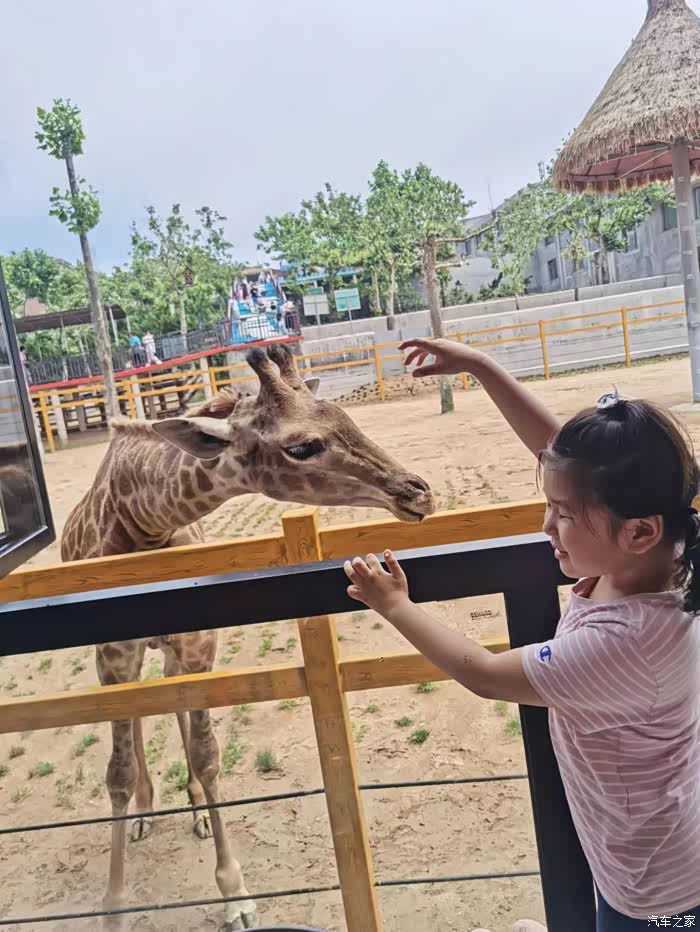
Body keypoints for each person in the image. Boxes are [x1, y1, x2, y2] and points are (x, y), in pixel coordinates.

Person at [344, 337, 700, 932]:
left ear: (638, 532)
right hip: (649, 845)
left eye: (563, 514)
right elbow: (565, 460)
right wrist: (481, 368)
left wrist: (394, 604)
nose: (546, 525)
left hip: (658, 889)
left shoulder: (628, 643)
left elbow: (484, 675)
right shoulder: (669, 547)